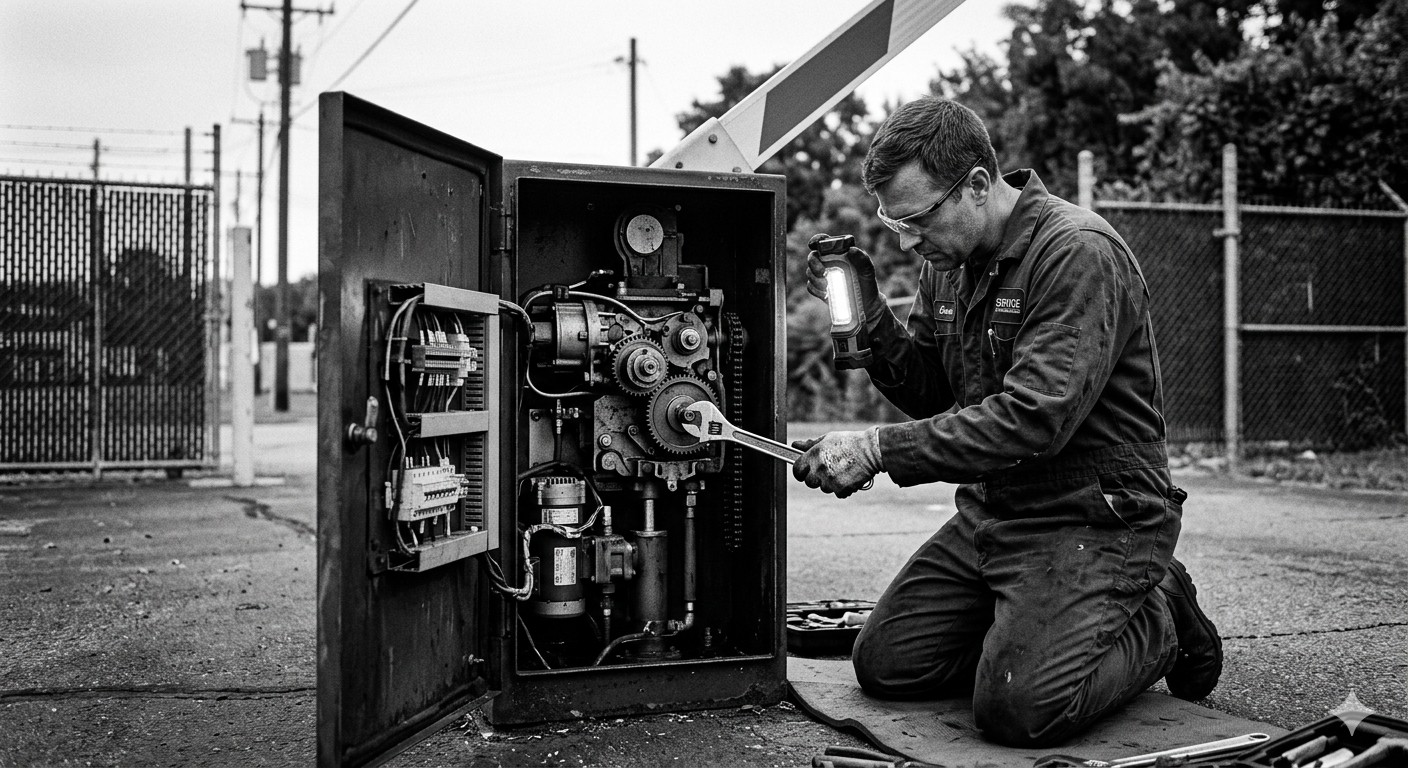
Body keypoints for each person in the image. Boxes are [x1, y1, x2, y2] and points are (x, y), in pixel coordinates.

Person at [791, 96, 1222, 748]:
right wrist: (870, 312)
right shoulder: (950, 264)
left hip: (1095, 513)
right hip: (998, 511)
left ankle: (1157, 611)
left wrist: (878, 450)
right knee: (888, 664)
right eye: (892, 221)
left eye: (916, 219)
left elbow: (1032, 418)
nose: (907, 239)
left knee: (1019, 709)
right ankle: (1043, 625)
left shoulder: (1075, 253)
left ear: (978, 186)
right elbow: (936, 392)